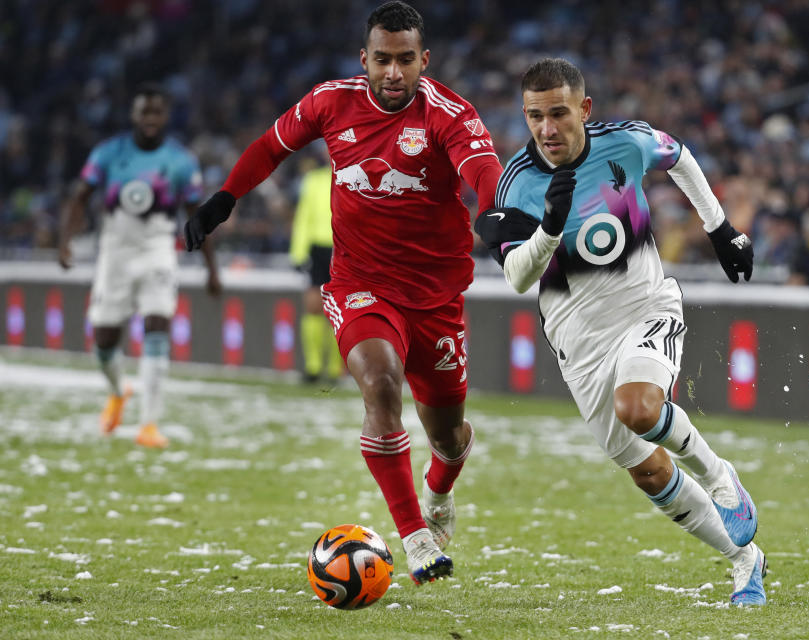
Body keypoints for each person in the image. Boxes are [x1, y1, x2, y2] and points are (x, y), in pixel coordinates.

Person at [183, 1, 502, 585]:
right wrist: (224, 198)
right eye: (383, 59)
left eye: (407, 60)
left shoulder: (448, 113)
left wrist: (495, 216)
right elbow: (270, 147)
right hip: (360, 283)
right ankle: (414, 538)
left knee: (450, 439)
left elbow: (483, 170)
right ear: (366, 58)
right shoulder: (331, 101)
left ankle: (438, 488)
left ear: (424, 60)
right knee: (380, 385)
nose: (394, 72)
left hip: (436, 297)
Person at [475, 58, 766, 606]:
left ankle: (720, 477)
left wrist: (720, 227)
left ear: (584, 109)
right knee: (651, 475)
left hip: (645, 307)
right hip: (579, 343)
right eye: (535, 116)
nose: (547, 129)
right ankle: (744, 558)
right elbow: (518, 277)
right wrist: (549, 228)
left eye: (559, 113)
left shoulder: (627, 142)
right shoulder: (515, 185)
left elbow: (679, 156)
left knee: (639, 406)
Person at [58, 83, 221, 449]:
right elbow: (80, 197)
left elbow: (197, 217)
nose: (150, 119)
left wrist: (212, 269)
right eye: (143, 112)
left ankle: (149, 424)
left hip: (157, 248)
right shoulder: (108, 153)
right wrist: (65, 241)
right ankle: (119, 390)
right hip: (115, 250)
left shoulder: (180, 161)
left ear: (165, 116)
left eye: (156, 112)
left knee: (157, 324)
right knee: (103, 340)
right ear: (134, 115)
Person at [289, 154, 342, 386]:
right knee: (313, 305)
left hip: (344, 248)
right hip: (318, 249)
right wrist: (298, 252)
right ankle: (313, 366)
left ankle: (334, 369)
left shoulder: (354, 178)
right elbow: (303, 217)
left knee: (339, 309)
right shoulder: (312, 180)